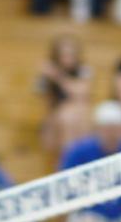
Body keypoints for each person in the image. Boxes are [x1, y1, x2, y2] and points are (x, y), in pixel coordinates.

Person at [35, 31, 94, 160]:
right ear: (56, 55)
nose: (68, 58)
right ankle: (70, 159)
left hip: (78, 118)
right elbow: (44, 101)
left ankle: (72, 159)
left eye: (71, 54)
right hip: (56, 119)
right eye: (64, 54)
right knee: (66, 116)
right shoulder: (47, 75)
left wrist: (57, 75)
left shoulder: (83, 70)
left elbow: (81, 93)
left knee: (74, 112)